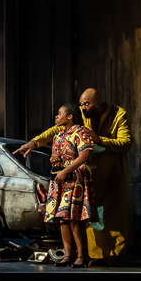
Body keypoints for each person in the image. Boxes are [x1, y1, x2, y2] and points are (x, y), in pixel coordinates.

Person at [16, 87, 132, 263]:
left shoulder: (117, 115)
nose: (83, 108)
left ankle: (98, 255)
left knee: (96, 216)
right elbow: (52, 131)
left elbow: (125, 143)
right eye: (81, 104)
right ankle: (75, 254)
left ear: (98, 103)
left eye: (87, 104)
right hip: (74, 176)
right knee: (66, 218)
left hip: (106, 173)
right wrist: (34, 143)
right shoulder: (64, 131)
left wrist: (99, 139)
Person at [41, 104, 96, 267]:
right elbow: (56, 156)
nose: (56, 117)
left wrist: (66, 170)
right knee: (62, 219)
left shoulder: (80, 132)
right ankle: (67, 254)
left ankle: (81, 256)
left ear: (70, 116)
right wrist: (55, 159)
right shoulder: (58, 135)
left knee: (74, 219)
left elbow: (84, 155)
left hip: (74, 178)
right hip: (60, 180)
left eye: (60, 114)